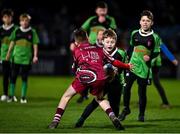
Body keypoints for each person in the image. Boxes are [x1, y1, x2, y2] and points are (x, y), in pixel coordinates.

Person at [48, 29, 132, 130]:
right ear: (87, 38)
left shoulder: (77, 50)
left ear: (76, 42)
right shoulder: (99, 49)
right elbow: (114, 62)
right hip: (100, 77)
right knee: (100, 98)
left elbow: (74, 68)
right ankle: (113, 117)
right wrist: (127, 66)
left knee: (66, 96)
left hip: (85, 76)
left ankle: (55, 122)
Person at [75, 29, 127, 128]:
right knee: (95, 102)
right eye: (107, 42)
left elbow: (125, 68)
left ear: (115, 41)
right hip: (103, 82)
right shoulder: (97, 52)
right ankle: (81, 120)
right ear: (102, 41)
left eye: (112, 42)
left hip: (116, 83)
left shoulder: (121, 53)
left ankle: (116, 123)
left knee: (115, 105)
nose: (110, 44)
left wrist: (123, 81)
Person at [118, 10, 160, 122]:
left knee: (142, 92)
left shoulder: (155, 37)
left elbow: (156, 51)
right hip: (132, 66)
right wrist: (126, 62)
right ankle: (126, 109)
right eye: (143, 20)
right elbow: (131, 48)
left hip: (144, 69)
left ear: (152, 23)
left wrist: (150, 57)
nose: (145, 22)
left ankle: (141, 114)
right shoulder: (134, 33)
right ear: (140, 22)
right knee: (126, 88)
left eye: (148, 21)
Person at [75, 1, 117, 102]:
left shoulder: (110, 20)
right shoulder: (92, 20)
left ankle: (101, 92)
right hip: (90, 48)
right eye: (100, 10)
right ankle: (84, 93)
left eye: (104, 10)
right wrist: (75, 41)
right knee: (87, 69)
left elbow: (114, 32)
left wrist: (104, 23)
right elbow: (81, 30)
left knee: (103, 71)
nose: (102, 12)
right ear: (96, 11)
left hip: (103, 48)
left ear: (106, 10)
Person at [6, 13, 39, 103]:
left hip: (26, 59)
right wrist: (8, 54)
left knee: (24, 77)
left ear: (28, 22)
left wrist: (35, 56)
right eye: (22, 21)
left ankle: (23, 97)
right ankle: (11, 96)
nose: (24, 22)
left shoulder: (32, 32)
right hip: (16, 58)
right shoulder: (16, 31)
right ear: (20, 22)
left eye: (26, 21)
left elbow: (35, 45)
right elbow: (12, 43)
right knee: (13, 77)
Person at [152, 43, 178, 108]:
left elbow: (164, 49)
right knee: (155, 83)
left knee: (143, 82)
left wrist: (172, 59)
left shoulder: (155, 38)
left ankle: (165, 102)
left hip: (151, 63)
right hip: (151, 63)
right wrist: (173, 59)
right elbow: (165, 49)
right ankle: (165, 102)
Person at [0, 9, 17, 101]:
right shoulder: (1, 29)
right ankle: (5, 94)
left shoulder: (16, 29)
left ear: (12, 18)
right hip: (3, 56)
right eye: (5, 17)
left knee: (13, 76)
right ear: (3, 18)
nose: (7, 19)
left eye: (9, 17)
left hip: (14, 56)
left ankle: (12, 94)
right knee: (5, 75)